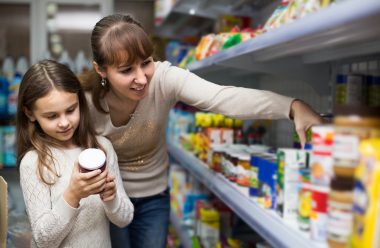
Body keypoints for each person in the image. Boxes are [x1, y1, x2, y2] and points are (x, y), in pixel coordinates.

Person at [80, 14, 323, 248]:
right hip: (107, 199)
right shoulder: (86, 103)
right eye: (126, 71)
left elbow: (222, 98)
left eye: (146, 63)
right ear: (101, 70)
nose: (142, 78)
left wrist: (291, 106)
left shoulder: (165, 79)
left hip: (154, 196)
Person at [16, 59, 134, 248]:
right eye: (52, 116)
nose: (64, 123)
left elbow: (125, 218)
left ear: (80, 102)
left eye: (70, 110)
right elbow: (43, 241)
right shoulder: (34, 162)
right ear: (30, 114)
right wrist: (73, 195)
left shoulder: (102, 148)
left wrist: (111, 199)